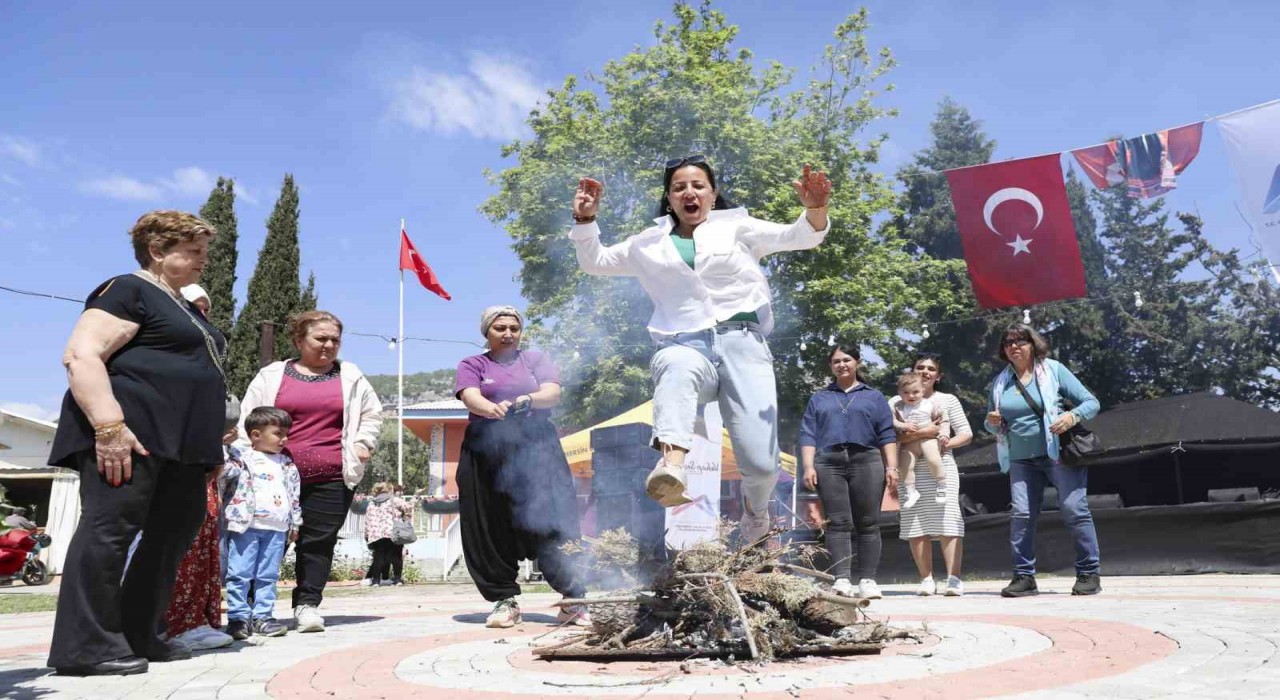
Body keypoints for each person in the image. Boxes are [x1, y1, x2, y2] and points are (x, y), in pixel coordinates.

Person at [570, 157, 832, 544]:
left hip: (743, 343)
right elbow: (595, 262)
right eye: (679, 187)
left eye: (697, 185)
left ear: (712, 193)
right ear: (669, 198)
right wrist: (585, 221)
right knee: (674, 365)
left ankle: (756, 515)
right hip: (683, 341)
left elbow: (802, 235)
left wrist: (815, 208)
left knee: (761, 464)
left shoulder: (738, 227)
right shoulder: (648, 242)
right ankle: (671, 465)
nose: (689, 193)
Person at [46, 210, 224, 676]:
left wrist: (210, 450)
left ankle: (139, 631)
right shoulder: (127, 289)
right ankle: (86, 647)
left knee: (173, 531)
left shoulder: (184, 305)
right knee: (110, 529)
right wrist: (108, 427)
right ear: (158, 252)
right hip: (130, 434)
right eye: (193, 251)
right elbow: (81, 355)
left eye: (205, 251)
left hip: (182, 446)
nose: (204, 260)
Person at [239, 310, 382, 632]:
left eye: (335, 339)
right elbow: (248, 419)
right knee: (265, 540)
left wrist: (363, 444)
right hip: (273, 476)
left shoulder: (351, 376)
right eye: (321, 338)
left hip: (333, 476)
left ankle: (307, 605)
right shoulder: (273, 375)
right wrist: (245, 459)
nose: (329, 345)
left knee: (318, 542)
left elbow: (373, 415)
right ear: (299, 340)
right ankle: (249, 609)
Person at [454, 306, 589, 629]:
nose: (508, 333)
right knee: (490, 523)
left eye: (514, 327)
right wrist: (491, 408)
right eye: (500, 328)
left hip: (537, 446)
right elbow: (470, 396)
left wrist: (527, 400)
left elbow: (552, 392)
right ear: (487, 332)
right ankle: (504, 601)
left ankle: (573, 600)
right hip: (487, 448)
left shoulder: (536, 360)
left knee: (555, 518)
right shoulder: (472, 364)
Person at [984, 324, 1101, 597]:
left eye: (1020, 341)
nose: (1014, 347)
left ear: (1033, 344)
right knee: (1022, 515)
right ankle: (1024, 577)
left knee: (1074, 509)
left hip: (1057, 454)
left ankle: (1088, 572)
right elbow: (993, 425)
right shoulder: (1000, 383)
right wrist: (990, 423)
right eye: (1008, 343)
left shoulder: (1054, 370)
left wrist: (1071, 416)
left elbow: (1091, 402)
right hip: (1020, 459)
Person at [161, 283, 235, 652]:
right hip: (172, 459)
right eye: (193, 307)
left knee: (204, 537)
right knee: (180, 543)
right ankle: (175, 621)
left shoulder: (206, 360)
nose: (200, 316)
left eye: (205, 309)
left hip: (202, 462)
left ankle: (201, 618)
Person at [798, 343, 898, 600]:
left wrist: (892, 467)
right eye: (836, 362)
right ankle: (841, 579)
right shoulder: (819, 398)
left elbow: (887, 434)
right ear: (831, 367)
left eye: (846, 360)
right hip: (828, 462)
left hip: (866, 460)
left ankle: (868, 579)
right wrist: (808, 466)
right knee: (838, 523)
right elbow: (808, 434)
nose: (841, 365)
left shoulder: (874, 397)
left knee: (868, 523)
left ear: (857, 362)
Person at [891, 353, 972, 597]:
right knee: (916, 521)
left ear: (938, 376)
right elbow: (890, 435)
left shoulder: (946, 400)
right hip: (910, 467)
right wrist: (926, 432)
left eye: (930, 368)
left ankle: (953, 579)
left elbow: (966, 434)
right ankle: (926, 579)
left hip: (941, 464)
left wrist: (943, 443)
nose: (925, 371)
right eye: (920, 367)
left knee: (948, 520)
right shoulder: (896, 402)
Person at [222, 407, 302, 639]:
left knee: (268, 575)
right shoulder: (242, 457)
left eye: (286, 434)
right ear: (256, 435)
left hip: (277, 529)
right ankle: (238, 618)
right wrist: (225, 446)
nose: (284, 439)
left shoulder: (287, 463)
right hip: (245, 526)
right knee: (239, 573)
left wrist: (295, 523)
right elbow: (224, 472)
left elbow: (294, 494)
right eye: (278, 433)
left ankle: (263, 616)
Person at [892, 371, 948, 509]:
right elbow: (892, 422)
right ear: (899, 392)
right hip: (909, 442)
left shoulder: (930, 404)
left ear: (923, 390)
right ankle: (911, 492)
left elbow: (943, 420)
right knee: (904, 465)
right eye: (906, 392)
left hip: (928, 439)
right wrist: (904, 425)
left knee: (933, 458)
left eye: (915, 392)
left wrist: (944, 434)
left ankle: (941, 484)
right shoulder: (898, 407)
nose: (911, 396)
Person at [363, 482, 411, 586]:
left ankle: (376, 581)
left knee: (378, 557)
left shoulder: (371, 503)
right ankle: (397, 580)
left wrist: (366, 535)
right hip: (393, 532)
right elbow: (408, 507)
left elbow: (367, 520)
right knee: (396, 556)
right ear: (390, 490)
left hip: (376, 534)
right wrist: (405, 518)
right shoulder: (394, 500)